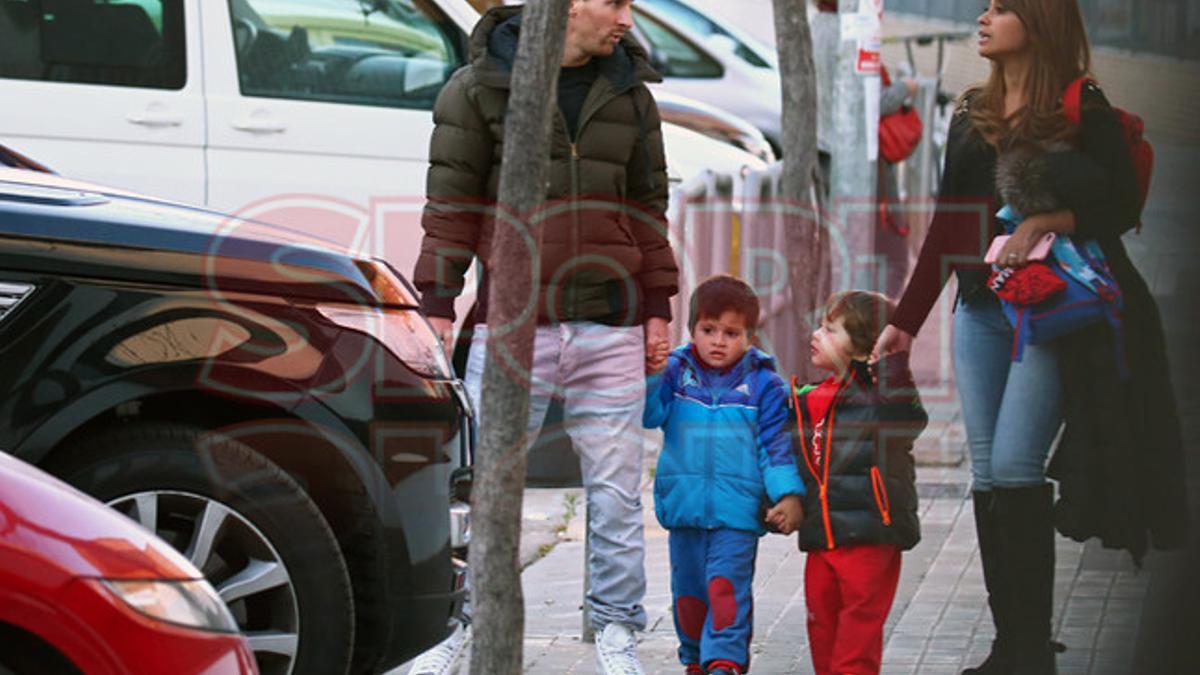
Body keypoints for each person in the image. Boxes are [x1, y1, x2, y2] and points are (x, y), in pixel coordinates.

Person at [873, 2, 1188, 673]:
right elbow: (947, 226)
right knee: (987, 473)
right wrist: (905, 319)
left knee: (1016, 464)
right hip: (979, 310)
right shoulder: (968, 113)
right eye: (984, 8)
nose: (984, 18)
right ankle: (1013, 644)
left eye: (1003, 7)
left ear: (1040, 22)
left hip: (1047, 313)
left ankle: (1028, 648)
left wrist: (1043, 218)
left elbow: (1120, 205)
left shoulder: (1082, 110)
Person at [408, 2, 678, 674]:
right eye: (613, 1)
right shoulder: (477, 88)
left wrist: (658, 305)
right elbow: (451, 202)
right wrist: (438, 301)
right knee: (479, 487)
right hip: (511, 325)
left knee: (616, 493)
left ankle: (615, 630)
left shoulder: (632, 95)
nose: (626, 16)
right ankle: (458, 621)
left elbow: (647, 206)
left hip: (610, 322)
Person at [643, 275, 806, 675]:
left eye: (731, 333)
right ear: (692, 330)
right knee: (690, 596)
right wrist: (652, 374)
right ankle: (695, 660)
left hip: (737, 516)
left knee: (725, 591)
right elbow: (650, 415)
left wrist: (788, 495)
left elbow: (775, 445)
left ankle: (725, 662)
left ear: (750, 336)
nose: (718, 341)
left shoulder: (764, 384)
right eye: (708, 330)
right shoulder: (676, 373)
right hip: (684, 511)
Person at [792, 291, 926, 675]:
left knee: (856, 642)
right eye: (821, 326)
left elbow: (909, 419)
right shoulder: (811, 397)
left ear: (866, 348)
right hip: (822, 537)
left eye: (831, 330)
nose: (817, 334)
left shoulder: (883, 399)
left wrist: (893, 360)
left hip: (871, 537)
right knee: (821, 628)